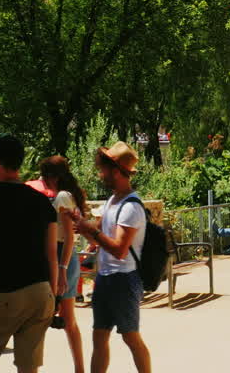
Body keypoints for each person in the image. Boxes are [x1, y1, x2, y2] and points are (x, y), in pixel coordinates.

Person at [0, 136, 58, 373]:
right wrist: (53, 293)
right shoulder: (42, 202)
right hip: (40, 291)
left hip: (5, 291)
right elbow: (51, 252)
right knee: (29, 367)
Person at [72, 142, 151, 373]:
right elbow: (101, 240)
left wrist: (92, 230)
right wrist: (82, 226)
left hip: (124, 280)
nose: (100, 174)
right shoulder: (112, 201)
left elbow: (118, 249)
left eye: (103, 169)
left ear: (116, 171)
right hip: (106, 278)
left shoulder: (130, 207)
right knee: (99, 338)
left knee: (131, 338)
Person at [38, 156, 88, 373]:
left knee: (47, 317)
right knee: (68, 321)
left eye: (44, 176)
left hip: (61, 257)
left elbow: (67, 237)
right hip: (65, 258)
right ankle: (79, 368)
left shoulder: (61, 197)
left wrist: (62, 269)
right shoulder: (67, 196)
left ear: (53, 177)